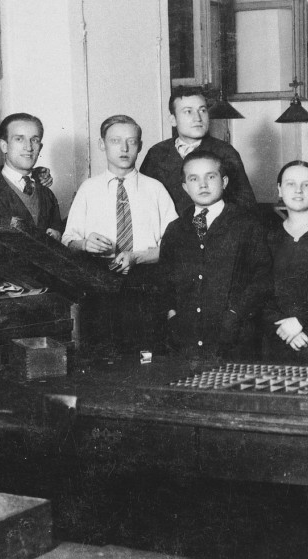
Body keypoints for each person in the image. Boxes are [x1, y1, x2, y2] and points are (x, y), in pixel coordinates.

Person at [63, 115, 177, 352]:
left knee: (147, 355)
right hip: (99, 286)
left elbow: (175, 246)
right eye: (115, 141)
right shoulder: (88, 189)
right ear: (102, 144)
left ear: (140, 146)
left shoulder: (155, 189)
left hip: (145, 286)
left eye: (131, 142)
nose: (124, 148)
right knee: (102, 355)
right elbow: (68, 240)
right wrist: (84, 244)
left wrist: (137, 257)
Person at [158, 150, 271, 366]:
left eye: (210, 177)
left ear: (224, 181)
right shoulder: (176, 229)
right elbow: (164, 279)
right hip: (186, 341)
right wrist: (173, 314)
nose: (203, 185)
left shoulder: (247, 224)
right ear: (184, 187)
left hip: (234, 340)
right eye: (194, 179)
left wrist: (235, 314)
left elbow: (262, 279)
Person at [140, 86, 257, 216]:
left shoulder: (224, 152)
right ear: (173, 120)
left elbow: (246, 205)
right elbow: (144, 202)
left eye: (202, 110)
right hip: (170, 232)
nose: (198, 118)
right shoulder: (157, 153)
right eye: (188, 111)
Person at [262, 160, 308, 364]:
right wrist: (281, 329)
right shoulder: (268, 236)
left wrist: (305, 325)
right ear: (279, 189)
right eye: (290, 184)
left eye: (307, 184)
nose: (298, 190)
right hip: (276, 339)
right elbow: (261, 291)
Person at [0, 112, 63, 239]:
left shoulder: (47, 194)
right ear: (4, 146)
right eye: (19, 139)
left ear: (40, 147)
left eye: (34, 140)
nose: (29, 147)